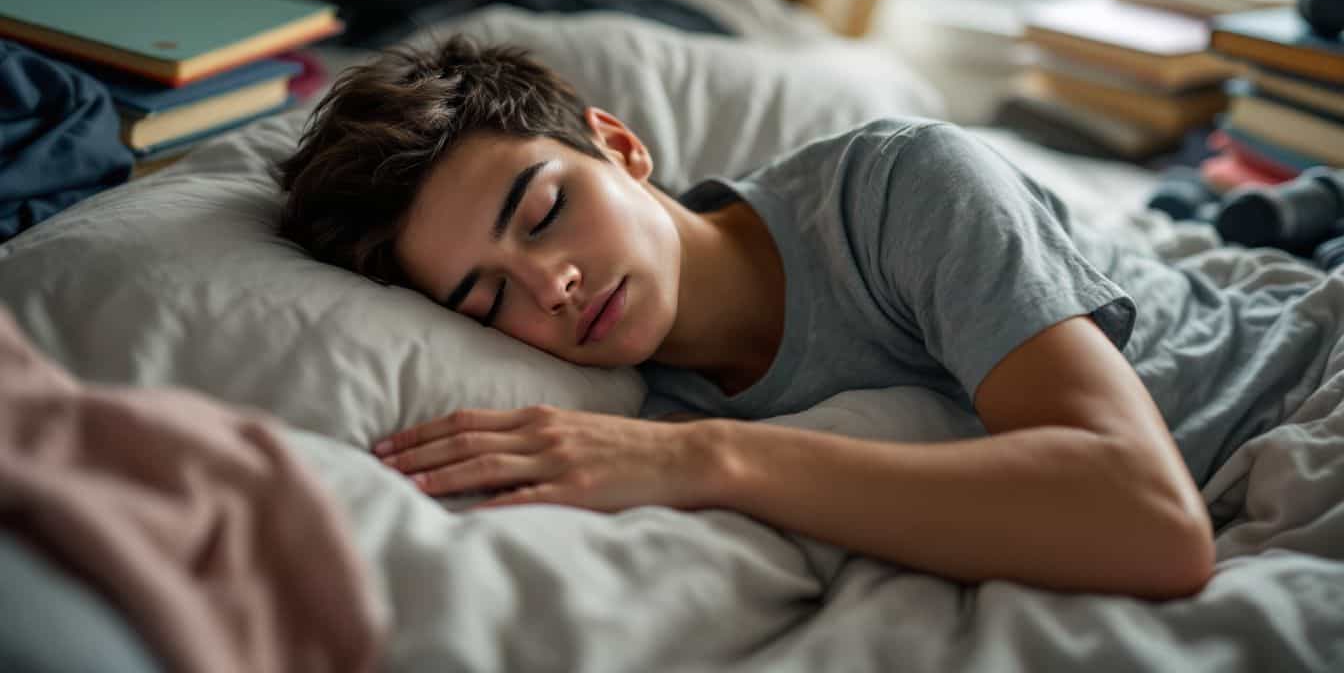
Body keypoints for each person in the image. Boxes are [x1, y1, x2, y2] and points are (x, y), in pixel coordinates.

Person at [274, 35, 1244, 601]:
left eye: (542, 212)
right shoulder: (631, 406)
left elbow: (1153, 524)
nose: (550, 286)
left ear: (619, 145)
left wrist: (710, 462)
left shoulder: (900, 189)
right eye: (487, 298)